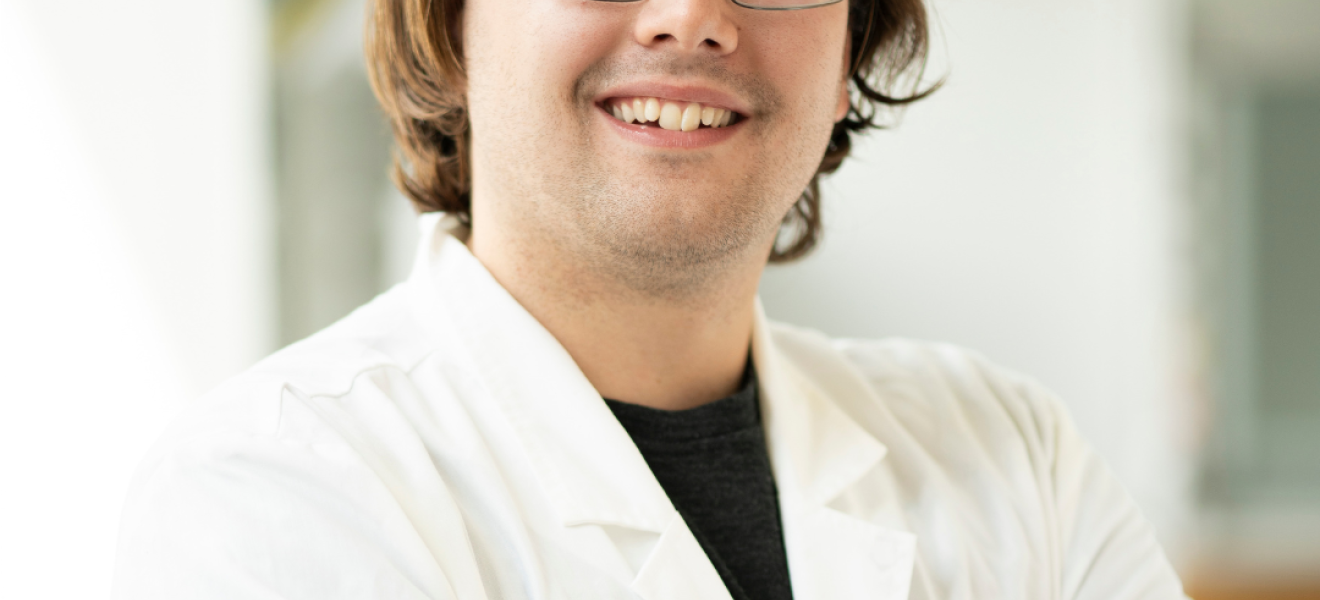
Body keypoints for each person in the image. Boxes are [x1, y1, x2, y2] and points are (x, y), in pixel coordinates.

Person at [113, 0, 1189, 598]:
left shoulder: (1014, 463)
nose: (693, 17)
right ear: (452, 21)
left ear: (852, 41)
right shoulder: (268, 498)